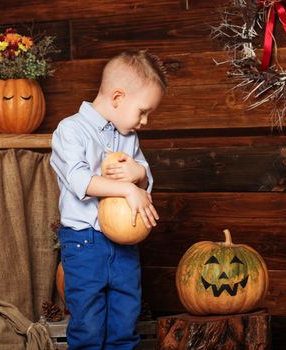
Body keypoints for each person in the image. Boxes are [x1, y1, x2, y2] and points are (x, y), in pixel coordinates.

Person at [50, 50, 167, 350]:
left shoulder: (128, 138)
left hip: (125, 244)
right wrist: (128, 190)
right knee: (88, 322)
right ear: (117, 97)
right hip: (84, 243)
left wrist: (139, 172)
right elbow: (80, 181)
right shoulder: (71, 130)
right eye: (142, 111)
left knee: (125, 318)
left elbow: (144, 181)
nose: (145, 121)